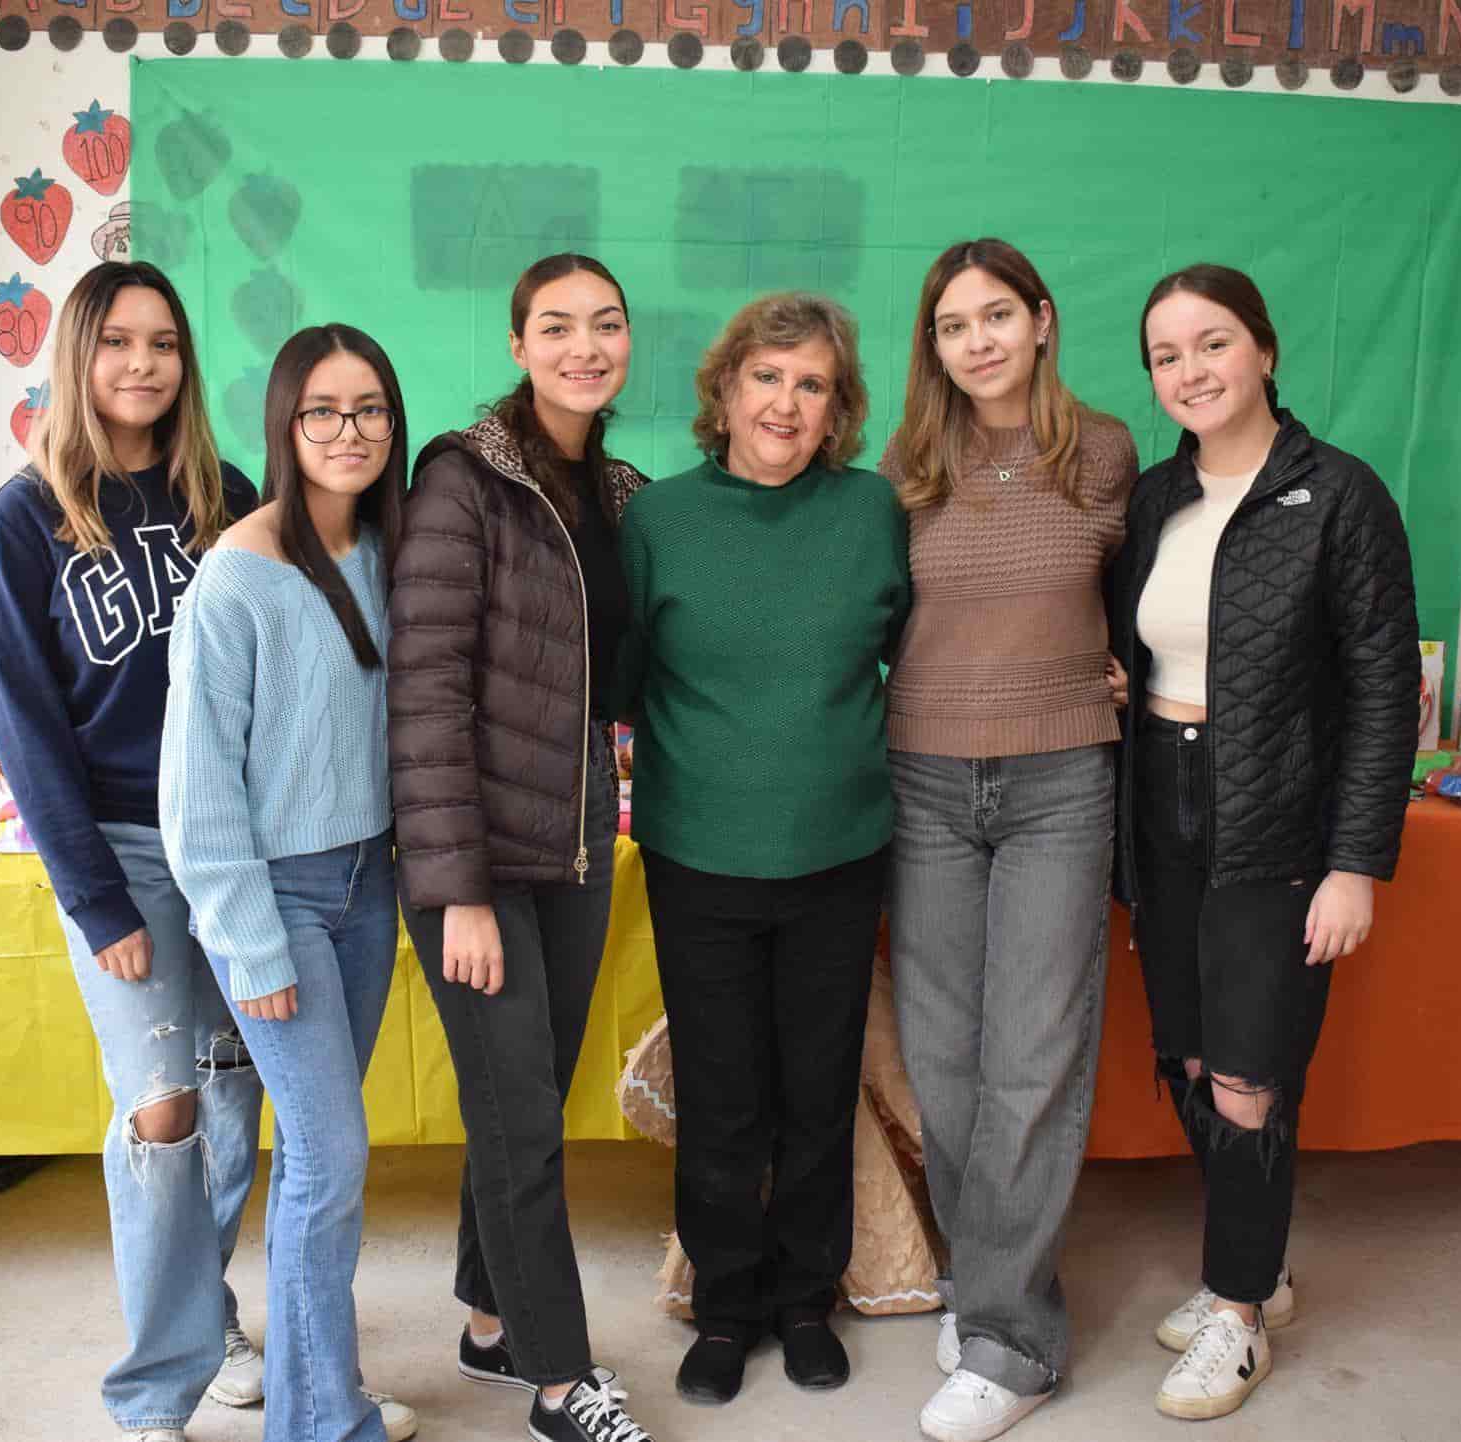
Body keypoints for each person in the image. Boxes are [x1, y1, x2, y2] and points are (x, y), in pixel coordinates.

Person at [1113, 264, 1420, 1421]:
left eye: (1214, 342)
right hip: (1163, 803)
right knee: (1193, 1056)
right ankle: (1260, 1267)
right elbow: (1130, 654)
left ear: (1267, 350)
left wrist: (1355, 863)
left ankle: (1235, 1314)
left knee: (1250, 1071)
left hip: (1278, 823)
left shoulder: (1339, 495)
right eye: (1166, 354)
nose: (1191, 370)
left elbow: (1387, 693)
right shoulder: (1154, 498)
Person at [0, 260, 266, 1442]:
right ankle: (155, 1390)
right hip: (123, 849)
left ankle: (213, 1320)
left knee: (240, 1100)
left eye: (164, 343)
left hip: (235, 849)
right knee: (164, 1108)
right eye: (117, 341)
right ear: (78, 357)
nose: (142, 363)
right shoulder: (21, 519)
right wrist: (97, 901)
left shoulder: (228, 494)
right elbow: (25, 727)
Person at [617, 292, 910, 1409]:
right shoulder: (663, 521)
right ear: (726, 389)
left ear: (838, 410)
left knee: (818, 1089)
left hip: (840, 852)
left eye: (813, 384)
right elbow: (631, 680)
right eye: (768, 377)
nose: (787, 402)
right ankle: (724, 1304)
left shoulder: (873, 513)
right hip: (702, 854)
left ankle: (805, 1298)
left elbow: (917, 655)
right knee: (726, 1094)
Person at [388, 254, 655, 1442]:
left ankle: (491, 1322)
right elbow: (427, 691)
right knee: (520, 1117)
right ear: (516, 344)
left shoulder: (625, 490)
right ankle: (560, 1378)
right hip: (480, 858)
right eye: (557, 326)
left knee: (524, 1098)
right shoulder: (462, 479)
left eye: (605, 325)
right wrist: (459, 894)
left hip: (580, 840)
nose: (583, 346)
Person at [877, 239, 1138, 1442]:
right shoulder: (910, 465)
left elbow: (1149, 597)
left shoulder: (1106, 451)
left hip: (1059, 784)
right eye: (950, 325)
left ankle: (1012, 1339)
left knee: (1035, 1055)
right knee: (945, 1060)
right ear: (931, 347)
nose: (975, 340)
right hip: (925, 781)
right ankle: (991, 1283)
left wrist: (1127, 676)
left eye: (996, 316)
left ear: (1041, 319)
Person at [160, 324, 418, 1442]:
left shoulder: (389, 553)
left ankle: (326, 1391)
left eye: (370, 408)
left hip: (372, 885)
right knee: (330, 1152)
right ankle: (322, 1421)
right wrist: (251, 941)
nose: (349, 430)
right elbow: (198, 785)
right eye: (324, 410)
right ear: (285, 423)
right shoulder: (239, 570)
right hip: (279, 895)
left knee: (325, 1150)